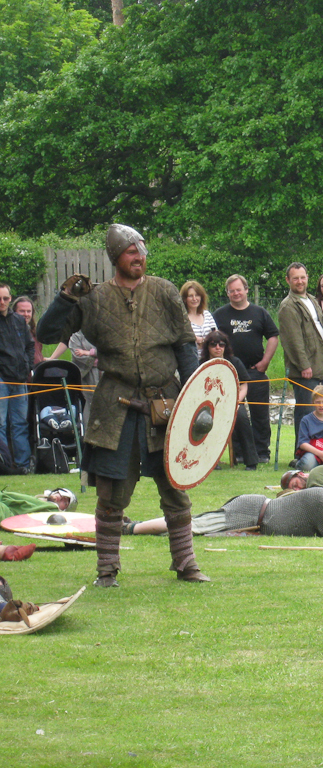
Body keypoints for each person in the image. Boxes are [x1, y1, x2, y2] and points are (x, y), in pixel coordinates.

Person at [35, 223, 209, 587]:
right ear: (117, 257)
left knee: (175, 487)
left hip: (164, 403)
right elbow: (48, 335)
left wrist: (195, 398)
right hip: (115, 407)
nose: (139, 258)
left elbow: (183, 346)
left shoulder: (163, 291)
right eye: (132, 253)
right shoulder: (94, 299)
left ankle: (186, 564)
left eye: (142, 252)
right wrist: (65, 299)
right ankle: (107, 571)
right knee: (112, 495)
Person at [126, 487, 323, 538]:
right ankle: (130, 527)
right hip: (251, 511)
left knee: (192, 529)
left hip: (255, 519)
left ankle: (137, 527)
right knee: (192, 525)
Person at [213, 274, 280, 464]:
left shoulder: (259, 313)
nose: (235, 293)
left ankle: (262, 453)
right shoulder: (219, 314)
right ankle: (240, 454)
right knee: (234, 415)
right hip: (229, 373)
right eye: (231, 290)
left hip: (254, 371)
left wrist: (266, 361)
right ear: (227, 293)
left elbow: (273, 336)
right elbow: (212, 340)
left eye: (238, 289)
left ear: (246, 290)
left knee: (260, 414)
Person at [277, 262, 323, 454]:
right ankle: (301, 453)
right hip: (306, 371)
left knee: (321, 413)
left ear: (307, 278)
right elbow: (293, 340)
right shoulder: (288, 306)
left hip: (321, 366)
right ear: (288, 280)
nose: (300, 281)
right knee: (306, 412)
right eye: (295, 278)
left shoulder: (311, 300)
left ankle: (319, 452)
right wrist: (303, 365)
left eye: (302, 277)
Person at [200, 330, 258, 470]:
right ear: (208, 347)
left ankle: (251, 461)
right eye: (214, 345)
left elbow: (244, 385)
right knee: (206, 422)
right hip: (208, 404)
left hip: (233, 402)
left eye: (221, 344)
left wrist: (236, 402)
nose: (218, 348)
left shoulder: (234, 362)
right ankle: (212, 461)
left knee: (242, 419)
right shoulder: (202, 364)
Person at [0, 283, 33, 472]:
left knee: (21, 424)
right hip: (2, 379)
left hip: (20, 379)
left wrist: (28, 365)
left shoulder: (18, 321)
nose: (2, 302)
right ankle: (3, 464)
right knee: (0, 424)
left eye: (5, 298)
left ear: (10, 299)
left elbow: (29, 345)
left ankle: (23, 465)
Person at [67, 330, 101, 424]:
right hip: (86, 378)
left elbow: (110, 351)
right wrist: (100, 360)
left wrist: (88, 353)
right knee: (89, 403)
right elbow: (77, 356)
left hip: (105, 375)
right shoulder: (76, 337)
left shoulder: (103, 333)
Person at [180, 280, 217, 349]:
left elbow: (216, 335)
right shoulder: (181, 317)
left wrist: (202, 341)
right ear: (184, 299)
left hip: (208, 358)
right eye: (190, 296)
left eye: (197, 295)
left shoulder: (207, 314)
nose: (194, 299)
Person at [12, 296, 43, 366]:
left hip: (37, 373)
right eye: (22, 311)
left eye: (28, 311)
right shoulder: (9, 333)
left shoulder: (35, 333)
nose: (26, 314)